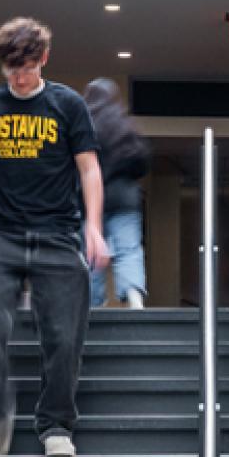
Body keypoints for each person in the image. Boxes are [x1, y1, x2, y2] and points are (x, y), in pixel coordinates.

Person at [0, 17, 108, 457]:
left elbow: (88, 168)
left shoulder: (67, 105)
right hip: (1, 235)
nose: (19, 78)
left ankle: (56, 424)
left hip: (57, 233)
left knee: (64, 336)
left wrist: (95, 228)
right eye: (11, 70)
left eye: (26, 68)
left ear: (43, 58)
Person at [83, 78, 151, 310]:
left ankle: (94, 303)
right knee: (128, 249)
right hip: (125, 199)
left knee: (91, 251)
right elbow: (142, 162)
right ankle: (133, 295)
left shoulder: (83, 127)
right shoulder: (126, 126)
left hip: (90, 201)